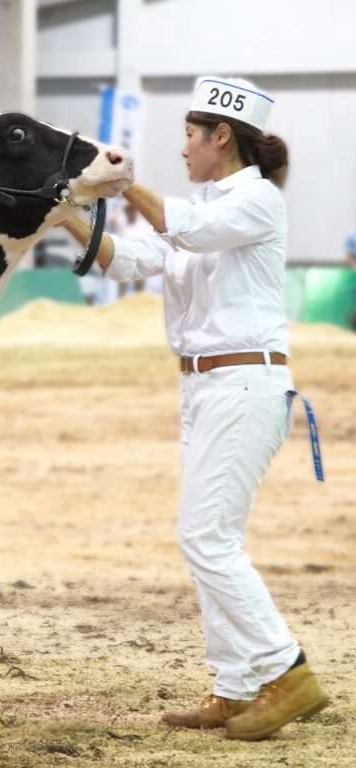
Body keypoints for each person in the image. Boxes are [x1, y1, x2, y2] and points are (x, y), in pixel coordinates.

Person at [61, 76, 329, 741]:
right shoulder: (204, 205)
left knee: (205, 538)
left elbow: (189, 228)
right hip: (205, 389)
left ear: (221, 136)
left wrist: (121, 186)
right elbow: (126, 261)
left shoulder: (256, 201)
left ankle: (286, 671)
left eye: (188, 134)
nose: (180, 148)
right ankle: (235, 688)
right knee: (211, 538)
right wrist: (62, 208)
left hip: (244, 385)